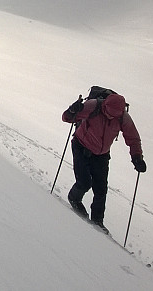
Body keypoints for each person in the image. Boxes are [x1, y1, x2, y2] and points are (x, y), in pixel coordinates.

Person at [62, 90, 146, 234]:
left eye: (114, 115)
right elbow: (67, 118)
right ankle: (74, 198)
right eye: (108, 112)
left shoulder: (123, 117)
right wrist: (72, 110)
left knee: (101, 189)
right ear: (104, 105)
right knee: (84, 182)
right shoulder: (93, 106)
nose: (110, 116)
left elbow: (133, 138)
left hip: (101, 154)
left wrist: (137, 157)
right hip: (81, 146)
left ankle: (97, 220)